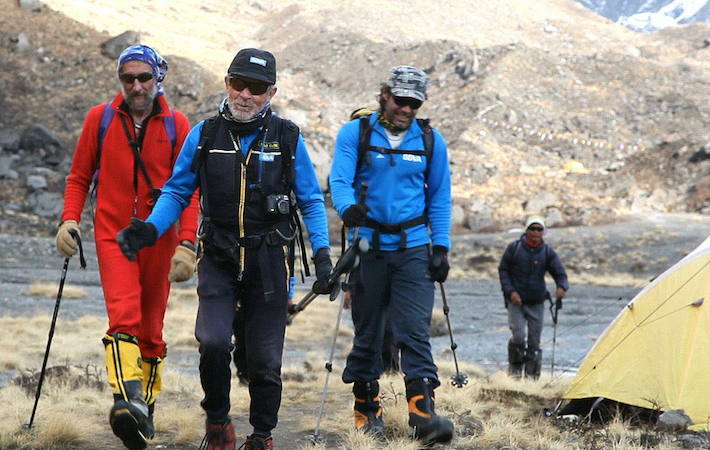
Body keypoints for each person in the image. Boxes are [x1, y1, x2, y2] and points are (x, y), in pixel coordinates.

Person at [116, 48, 332, 450]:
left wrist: (322, 256)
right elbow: (178, 190)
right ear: (227, 83)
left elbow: (311, 200)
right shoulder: (205, 135)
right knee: (213, 341)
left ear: (272, 92)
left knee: (264, 362)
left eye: (258, 88)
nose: (246, 94)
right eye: (239, 84)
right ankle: (217, 420)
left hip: (270, 261)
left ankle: (262, 435)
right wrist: (150, 229)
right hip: (217, 255)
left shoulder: (287, 137)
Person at [55, 44, 200, 450]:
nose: (136, 86)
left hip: (159, 238)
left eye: (144, 78)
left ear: (158, 78)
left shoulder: (178, 125)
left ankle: (144, 414)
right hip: (112, 233)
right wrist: (69, 219)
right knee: (124, 316)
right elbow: (79, 176)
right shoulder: (99, 119)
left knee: (152, 329)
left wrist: (187, 244)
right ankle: (126, 401)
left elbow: (189, 192)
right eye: (128, 79)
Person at [328, 65, 454, 445]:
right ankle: (367, 409)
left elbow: (440, 198)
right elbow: (339, 180)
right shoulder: (356, 133)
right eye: (401, 100)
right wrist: (348, 209)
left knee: (414, 329)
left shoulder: (431, 141)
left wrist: (442, 248)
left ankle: (422, 412)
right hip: (368, 248)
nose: (406, 108)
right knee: (369, 332)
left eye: (414, 103)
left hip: (414, 249)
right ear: (385, 94)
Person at [498, 215, 569, 379]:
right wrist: (511, 292)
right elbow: (503, 271)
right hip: (515, 301)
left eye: (539, 229)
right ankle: (514, 375)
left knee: (534, 341)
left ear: (543, 232)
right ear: (526, 230)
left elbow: (559, 273)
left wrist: (562, 287)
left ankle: (532, 379)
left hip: (537, 301)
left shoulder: (547, 252)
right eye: (533, 228)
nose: (536, 232)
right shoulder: (514, 248)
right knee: (518, 336)